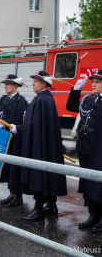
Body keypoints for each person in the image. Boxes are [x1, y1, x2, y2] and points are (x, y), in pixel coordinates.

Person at [10, 71, 67, 221]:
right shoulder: (44, 98)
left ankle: (39, 208)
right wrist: (20, 127)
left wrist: (19, 128)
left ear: (44, 83)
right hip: (43, 144)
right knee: (46, 173)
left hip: (40, 145)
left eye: (36, 81)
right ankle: (52, 206)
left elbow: (33, 125)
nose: (33, 83)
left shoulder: (42, 100)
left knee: (40, 174)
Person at [66, 71, 102, 233]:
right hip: (85, 148)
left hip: (99, 150)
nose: (93, 84)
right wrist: (76, 90)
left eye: (98, 82)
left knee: (99, 184)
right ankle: (93, 215)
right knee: (88, 182)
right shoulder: (88, 99)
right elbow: (71, 107)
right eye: (93, 81)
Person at [0, 74, 28, 207]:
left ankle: (17, 195)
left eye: (8, 84)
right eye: (5, 84)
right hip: (5, 136)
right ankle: (12, 192)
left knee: (15, 167)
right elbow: (0, 114)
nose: (5, 86)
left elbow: (24, 121)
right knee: (7, 167)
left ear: (15, 86)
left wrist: (17, 128)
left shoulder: (21, 101)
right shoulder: (3, 99)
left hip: (15, 138)